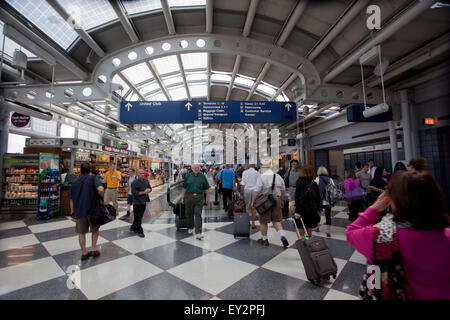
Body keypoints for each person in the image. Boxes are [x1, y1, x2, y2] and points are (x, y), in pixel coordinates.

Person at [346, 171, 450, 300]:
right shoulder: (446, 236)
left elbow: (351, 232)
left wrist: (374, 209)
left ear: (396, 200)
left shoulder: (381, 236)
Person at [69, 162, 104, 261]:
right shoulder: (93, 178)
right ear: (90, 170)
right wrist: (101, 196)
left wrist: (72, 212)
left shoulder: (75, 182)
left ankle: (84, 252)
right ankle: (93, 249)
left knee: (81, 232)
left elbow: (71, 199)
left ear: (80, 170)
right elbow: (100, 189)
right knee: (95, 230)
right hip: (93, 211)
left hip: (80, 211)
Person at [251, 162, 289, 248]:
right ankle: (282, 235)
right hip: (277, 199)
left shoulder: (262, 177)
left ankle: (264, 239)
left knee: (263, 221)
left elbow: (256, 190)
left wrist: (253, 201)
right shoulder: (279, 177)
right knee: (276, 220)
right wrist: (282, 200)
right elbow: (283, 191)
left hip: (265, 201)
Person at [181, 164, 210, 240]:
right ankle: (190, 227)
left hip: (199, 197)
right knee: (189, 213)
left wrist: (208, 198)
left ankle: (198, 232)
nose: (196, 169)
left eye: (198, 167)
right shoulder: (188, 176)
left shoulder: (202, 176)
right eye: (195, 168)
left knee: (198, 214)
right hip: (189, 197)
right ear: (192, 168)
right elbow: (184, 188)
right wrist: (182, 197)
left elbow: (206, 188)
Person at [293, 165, 322, 238]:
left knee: (300, 231)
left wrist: (297, 211)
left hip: (302, 210)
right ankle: (308, 241)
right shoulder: (314, 183)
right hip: (312, 210)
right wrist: (319, 209)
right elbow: (318, 197)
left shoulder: (299, 182)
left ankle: (303, 243)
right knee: (309, 229)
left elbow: (298, 197)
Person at [131, 169, 152, 238]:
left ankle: (133, 227)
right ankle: (140, 231)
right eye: (140, 173)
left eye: (143, 173)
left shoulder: (146, 181)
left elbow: (150, 188)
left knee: (139, 216)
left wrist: (149, 190)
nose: (142, 174)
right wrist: (144, 192)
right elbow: (134, 192)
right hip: (137, 202)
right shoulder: (134, 182)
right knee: (138, 217)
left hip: (144, 201)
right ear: (137, 174)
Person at [314, 166, 334, 237]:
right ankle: (328, 230)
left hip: (320, 200)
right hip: (328, 200)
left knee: (318, 214)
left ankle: (317, 227)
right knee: (328, 215)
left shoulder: (317, 179)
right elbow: (333, 189)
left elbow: (315, 190)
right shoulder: (330, 179)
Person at [240, 163, 261, 229]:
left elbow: (243, 184)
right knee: (253, 207)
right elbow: (259, 184)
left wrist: (241, 194)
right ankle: (253, 223)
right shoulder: (257, 173)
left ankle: (247, 222)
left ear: (249, 166)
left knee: (247, 207)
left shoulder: (245, 172)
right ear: (254, 166)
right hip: (255, 191)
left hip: (247, 190)